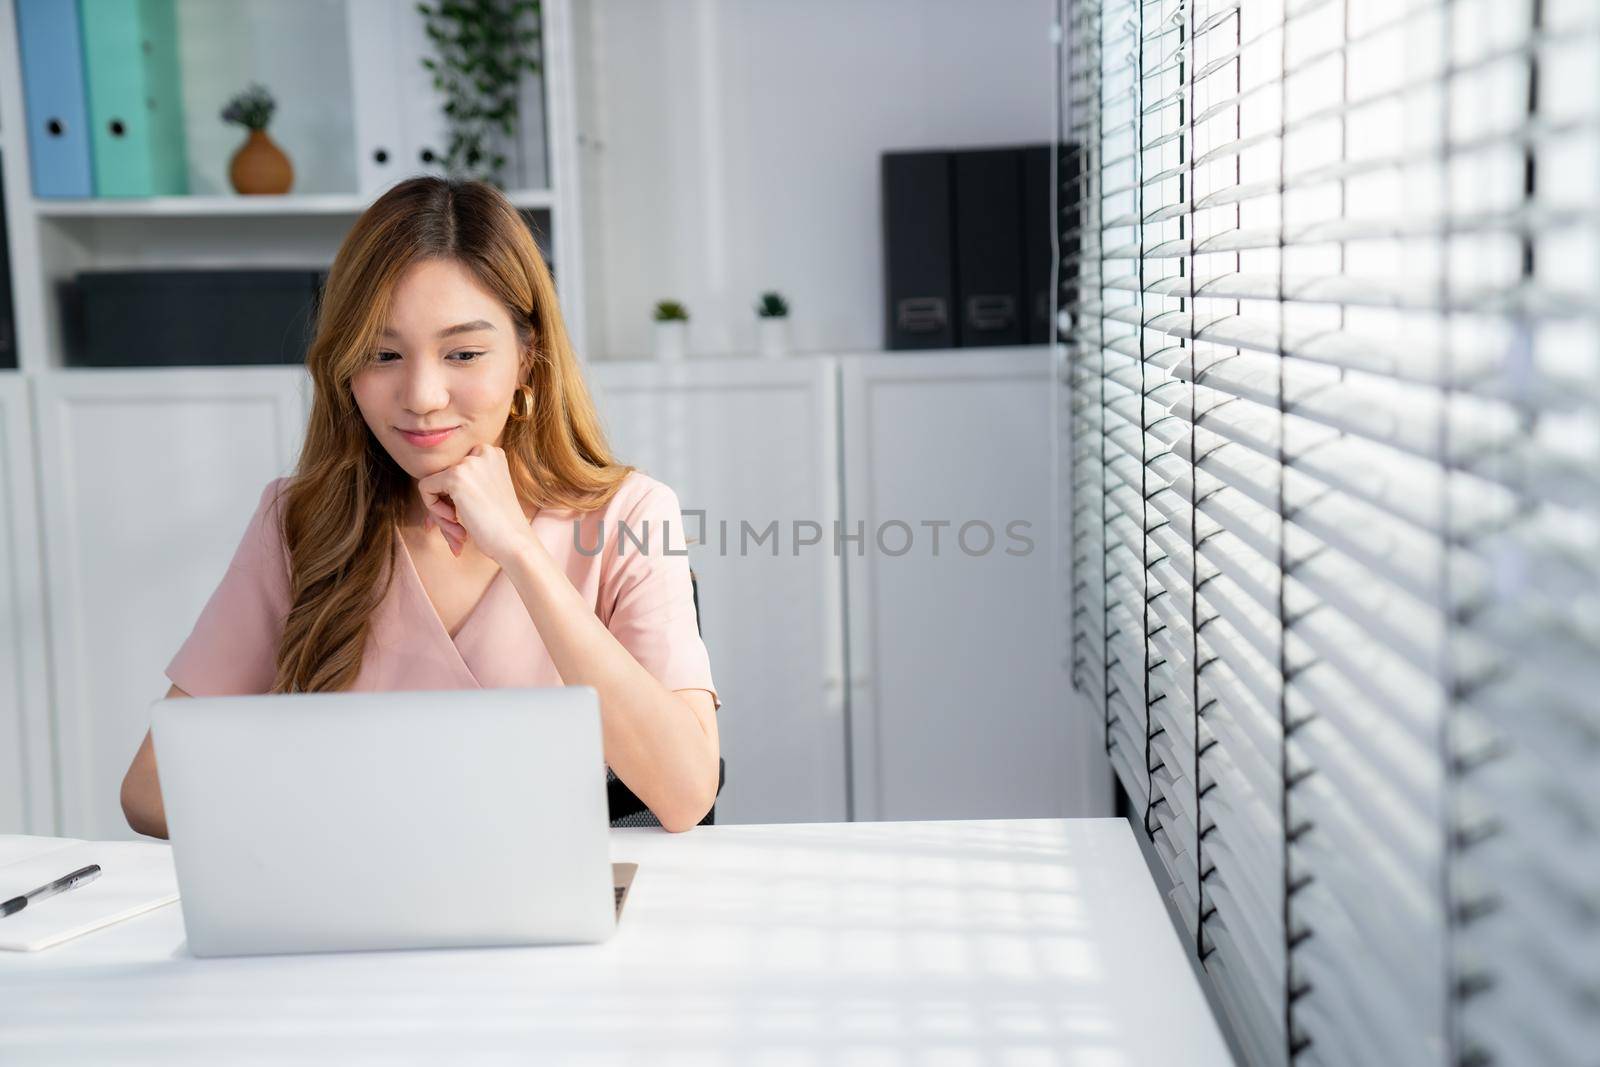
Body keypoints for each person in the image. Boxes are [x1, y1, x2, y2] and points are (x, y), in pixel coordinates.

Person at [120, 177, 721, 836]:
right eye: (383, 355)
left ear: (528, 356)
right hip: (359, 911)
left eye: (463, 352)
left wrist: (519, 550)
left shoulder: (630, 514)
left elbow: (685, 791)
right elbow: (150, 787)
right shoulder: (299, 519)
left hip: (552, 922)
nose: (423, 394)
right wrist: (352, 829)